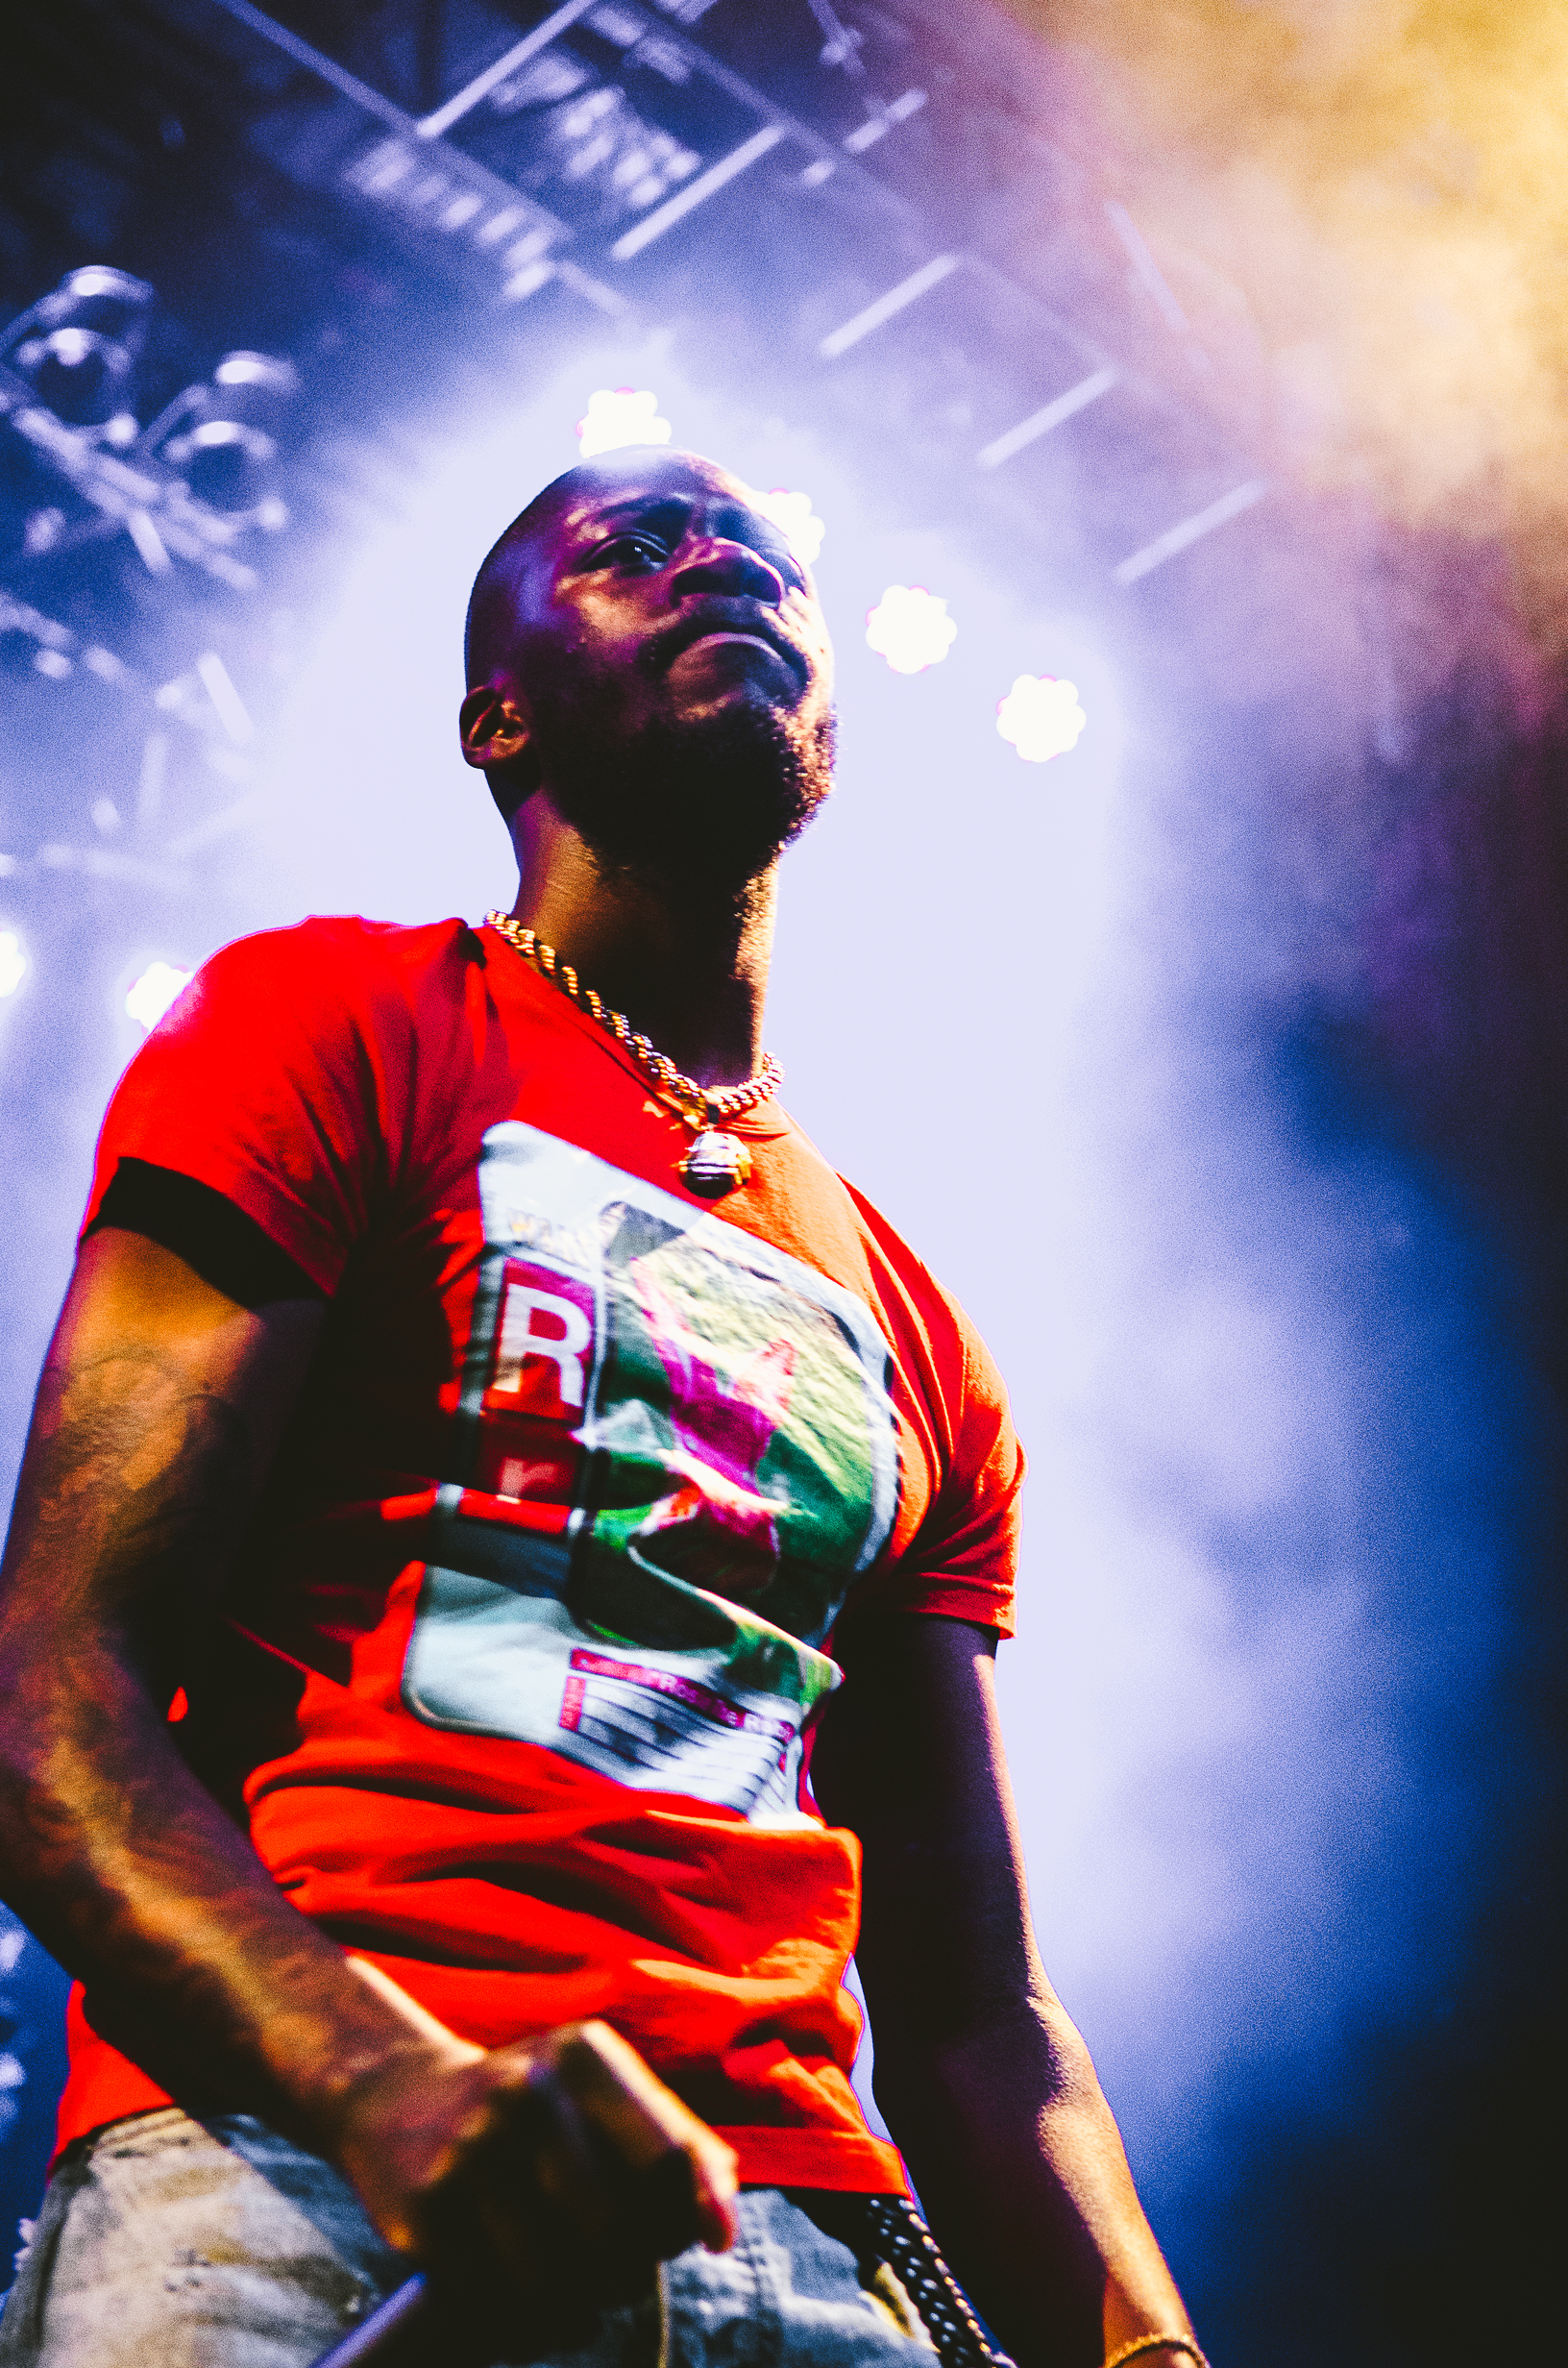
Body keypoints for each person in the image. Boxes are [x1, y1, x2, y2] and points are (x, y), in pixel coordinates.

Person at [0, 449, 1200, 2368]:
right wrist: (388, 2085)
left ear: (831, 739)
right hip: (295, 2181)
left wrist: (1148, 2348)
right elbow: (49, 1699)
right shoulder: (328, 1024)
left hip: (803, 2249)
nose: (720, 561)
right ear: (499, 715)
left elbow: (978, 2015)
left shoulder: (919, 1334)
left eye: (769, 560)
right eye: (632, 549)